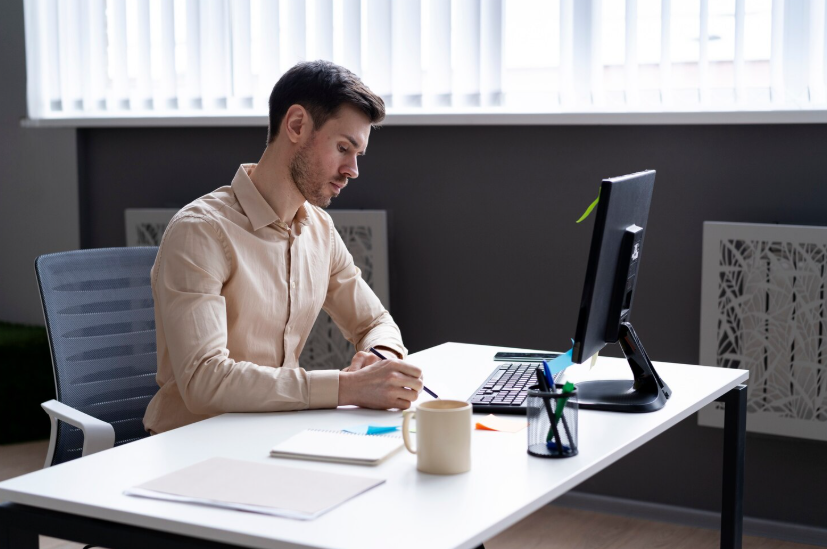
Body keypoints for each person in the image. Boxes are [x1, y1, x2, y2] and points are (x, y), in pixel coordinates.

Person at [143, 61, 423, 434]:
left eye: (358, 154)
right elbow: (204, 381)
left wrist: (380, 359)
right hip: (193, 444)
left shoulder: (319, 230)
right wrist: (346, 388)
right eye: (343, 147)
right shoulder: (202, 232)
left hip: (275, 434)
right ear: (296, 125)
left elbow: (374, 322)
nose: (353, 169)